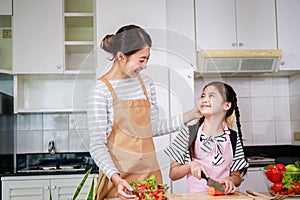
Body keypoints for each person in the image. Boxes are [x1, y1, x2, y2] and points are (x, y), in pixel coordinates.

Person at [87, 24, 200, 199]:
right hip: (119, 180)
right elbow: (97, 144)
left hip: (149, 178)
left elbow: (153, 128)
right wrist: (116, 179)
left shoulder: (145, 83)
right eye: (141, 59)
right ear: (121, 57)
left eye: (147, 59)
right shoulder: (101, 90)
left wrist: (193, 114)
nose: (145, 65)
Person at [164, 81, 249, 194]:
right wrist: (190, 165)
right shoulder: (188, 134)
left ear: (226, 105)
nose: (204, 99)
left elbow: (236, 176)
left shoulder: (233, 138)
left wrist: (231, 179)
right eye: (203, 96)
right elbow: (173, 174)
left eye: (211, 96)